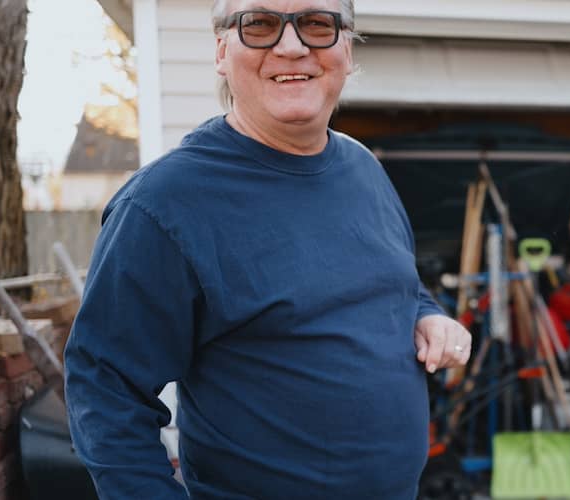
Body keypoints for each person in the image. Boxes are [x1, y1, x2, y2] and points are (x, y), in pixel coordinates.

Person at [63, 1, 473, 498]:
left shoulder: (364, 168)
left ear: (345, 46)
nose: (292, 46)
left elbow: (396, 282)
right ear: (220, 50)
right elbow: (107, 392)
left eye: (317, 24)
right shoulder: (162, 205)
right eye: (260, 25)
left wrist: (429, 315)